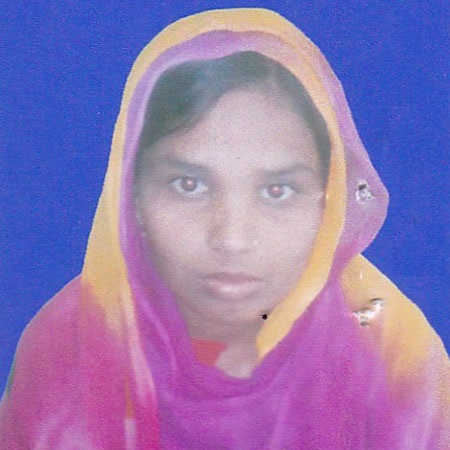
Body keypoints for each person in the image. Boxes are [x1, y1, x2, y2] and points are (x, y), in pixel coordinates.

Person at [0, 8, 448, 449]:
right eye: (188, 185)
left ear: (329, 202)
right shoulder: (67, 350)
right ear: (129, 195)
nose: (232, 239)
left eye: (277, 191)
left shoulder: (394, 358)